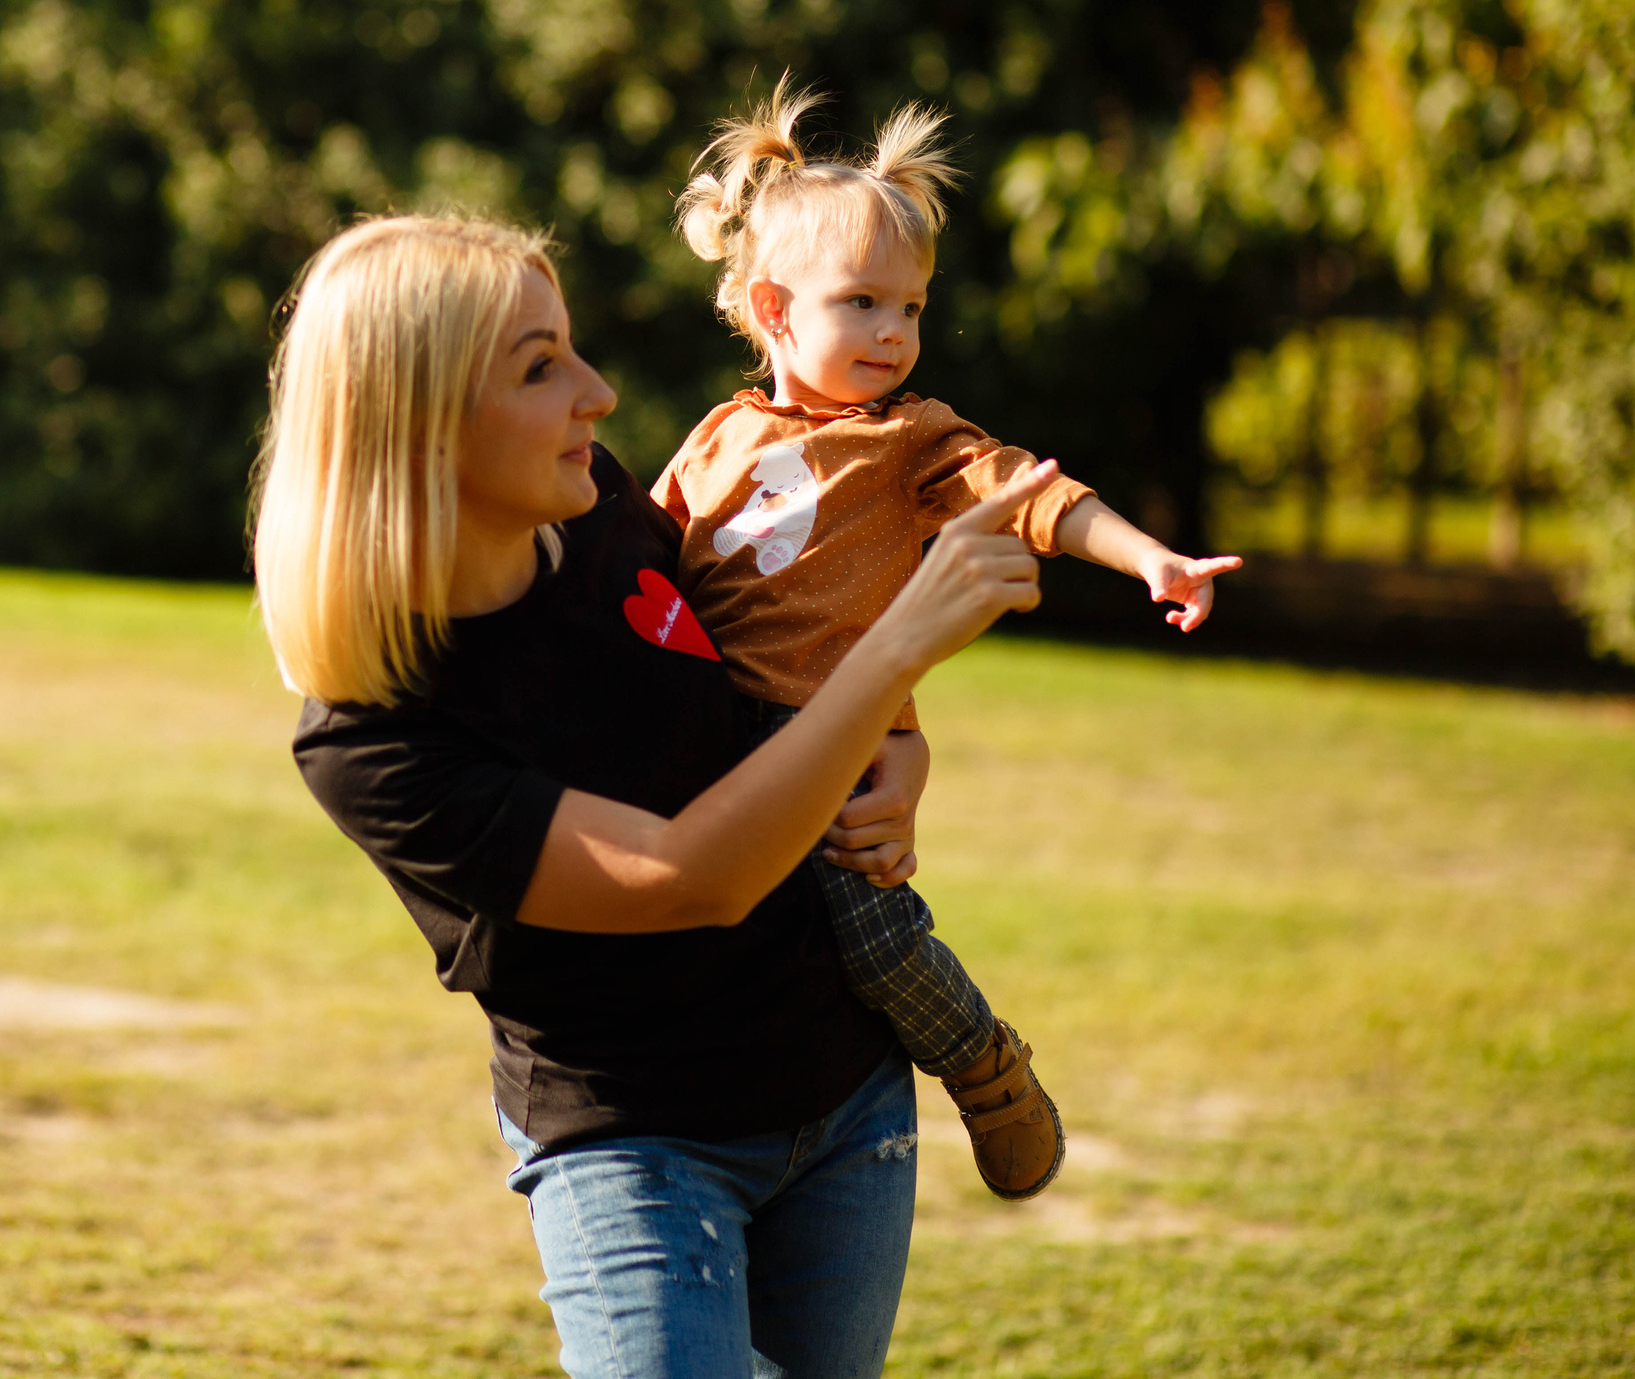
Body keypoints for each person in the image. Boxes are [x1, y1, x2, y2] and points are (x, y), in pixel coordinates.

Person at [253, 212, 1062, 1379]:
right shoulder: (374, 741)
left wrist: (902, 742)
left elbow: (774, 673)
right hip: (632, 1149)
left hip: (845, 1097)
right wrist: (901, 645)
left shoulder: (600, 507)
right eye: (540, 367)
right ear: (418, 424)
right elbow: (690, 878)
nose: (599, 393)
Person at [655, 79, 1243, 1201]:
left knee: (870, 938)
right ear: (775, 309)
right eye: (863, 302)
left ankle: (984, 1066)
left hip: (833, 738)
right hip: (711, 736)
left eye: (912, 307)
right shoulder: (717, 437)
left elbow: (1032, 496)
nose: (896, 332)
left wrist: (1148, 558)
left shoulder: (910, 441)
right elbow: (639, 561)